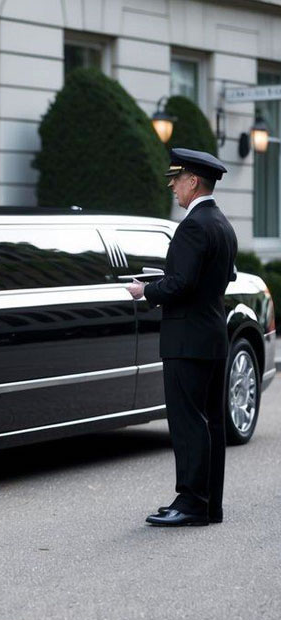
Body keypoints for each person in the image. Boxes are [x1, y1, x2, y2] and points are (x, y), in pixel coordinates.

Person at [126, 148, 238, 527]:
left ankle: (190, 503)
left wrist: (146, 290)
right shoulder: (222, 224)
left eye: (176, 180)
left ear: (193, 181)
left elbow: (182, 283)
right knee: (211, 423)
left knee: (188, 422)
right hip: (212, 335)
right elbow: (219, 278)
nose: (173, 187)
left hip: (187, 340)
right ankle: (209, 505)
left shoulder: (193, 226)